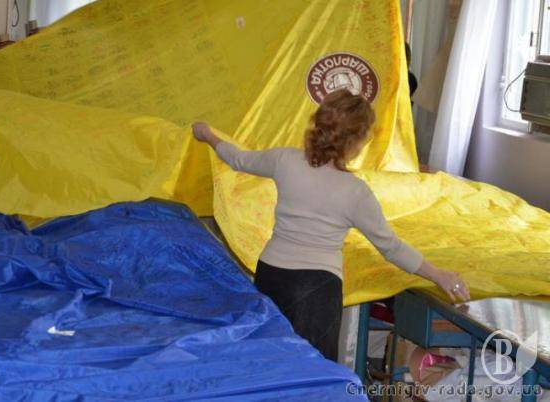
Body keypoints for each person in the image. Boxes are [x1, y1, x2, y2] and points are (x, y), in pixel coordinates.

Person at [191, 89, 469, 361]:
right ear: (357, 142)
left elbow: (238, 159)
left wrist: (207, 135)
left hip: (271, 275)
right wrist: (439, 275)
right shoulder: (355, 192)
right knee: (312, 372)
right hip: (315, 290)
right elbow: (392, 248)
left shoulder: (285, 160)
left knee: (270, 362)